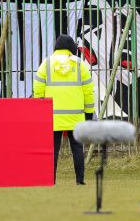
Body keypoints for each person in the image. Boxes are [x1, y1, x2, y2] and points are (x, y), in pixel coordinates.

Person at [33, 34, 94, 186]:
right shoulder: (79, 64)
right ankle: (80, 180)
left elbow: (38, 88)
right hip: (76, 115)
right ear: (71, 48)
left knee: (53, 149)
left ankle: (51, 180)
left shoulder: (46, 64)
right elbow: (88, 91)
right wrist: (89, 113)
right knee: (77, 148)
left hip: (52, 115)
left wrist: (39, 109)